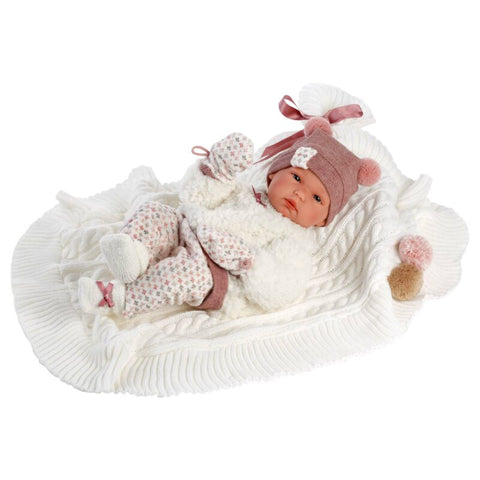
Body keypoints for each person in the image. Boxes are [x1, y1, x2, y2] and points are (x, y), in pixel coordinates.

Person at [78, 118, 381, 318]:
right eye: (297, 178)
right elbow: (199, 198)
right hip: (187, 230)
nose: (300, 194)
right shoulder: (248, 192)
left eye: (317, 198)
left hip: (216, 273)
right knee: (155, 212)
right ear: (273, 174)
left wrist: (248, 261)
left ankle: (119, 297)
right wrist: (217, 172)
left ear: (322, 220)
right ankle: (134, 255)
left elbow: (283, 287)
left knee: (184, 275)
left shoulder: (295, 241)